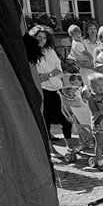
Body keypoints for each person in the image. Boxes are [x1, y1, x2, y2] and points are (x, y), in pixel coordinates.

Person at [31, 25, 76, 156]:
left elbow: (59, 69)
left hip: (56, 88)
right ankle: (51, 149)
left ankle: (70, 146)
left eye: (44, 37)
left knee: (65, 120)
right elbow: (37, 76)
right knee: (46, 120)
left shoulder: (50, 51)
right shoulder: (31, 54)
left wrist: (48, 75)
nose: (41, 40)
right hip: (43, 91)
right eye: (39, 37)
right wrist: (50, 74)